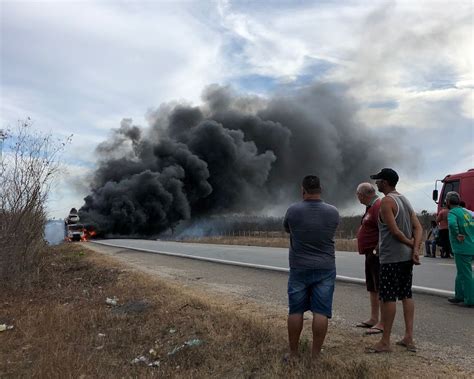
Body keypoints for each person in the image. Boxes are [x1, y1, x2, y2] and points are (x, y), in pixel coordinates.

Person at [366, 168, 422, 354]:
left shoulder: (386, 202)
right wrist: (414, 249)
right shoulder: (404, 200)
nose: (376, 183)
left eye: (379, 180)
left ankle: (385, 342)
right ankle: (408, 337)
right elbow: (418, 227)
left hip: (391, 258)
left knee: (388, 297)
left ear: (386, 182)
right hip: (406, 258)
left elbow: (395, 231)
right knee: (406, 295)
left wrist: (409, 243)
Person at [283, 175, 340, 360]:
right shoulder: (333, 212)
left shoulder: (292, 211)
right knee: (321, 312)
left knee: (296, 310)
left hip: (299, 268)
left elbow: (288, 229)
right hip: (325, 267)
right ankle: (315, 355)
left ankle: (293, 353)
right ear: (320, 189)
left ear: (303, 190)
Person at [355, 183, 384, 335]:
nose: (357, 197)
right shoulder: (370, 207)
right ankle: (373, 318)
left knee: (380, 287)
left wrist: (377, 248)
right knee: (372, 286)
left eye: (358, 195)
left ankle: (382, 322)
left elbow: (385, 229)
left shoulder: (378, 205)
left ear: (364, 194)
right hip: (370, 254)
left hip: (376, 253)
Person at [446, 192, 474, 307]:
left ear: (448, 202)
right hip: (470, 245)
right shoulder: (465, 212)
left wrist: (457, 234)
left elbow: (452, 224)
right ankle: (459, 296)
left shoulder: (452, 213)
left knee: (466, 274)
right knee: (461, 272)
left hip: (462, 248)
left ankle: (470, 300)